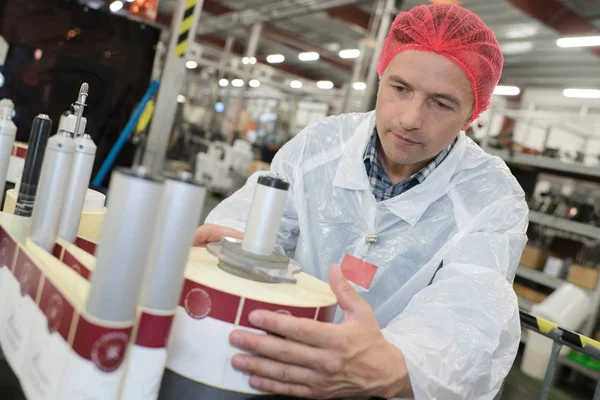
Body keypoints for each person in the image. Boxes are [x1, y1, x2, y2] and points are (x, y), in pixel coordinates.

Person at [194, 4, 528, 399]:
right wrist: (235, 246)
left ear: (473, 114)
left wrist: (391, 364)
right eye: (400, 88)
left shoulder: (490, 198)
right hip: (275, 368)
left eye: (441, 103)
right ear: (381, 77)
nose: (409, 118)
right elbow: (254, 220)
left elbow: (470, 308)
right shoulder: (320, 147)